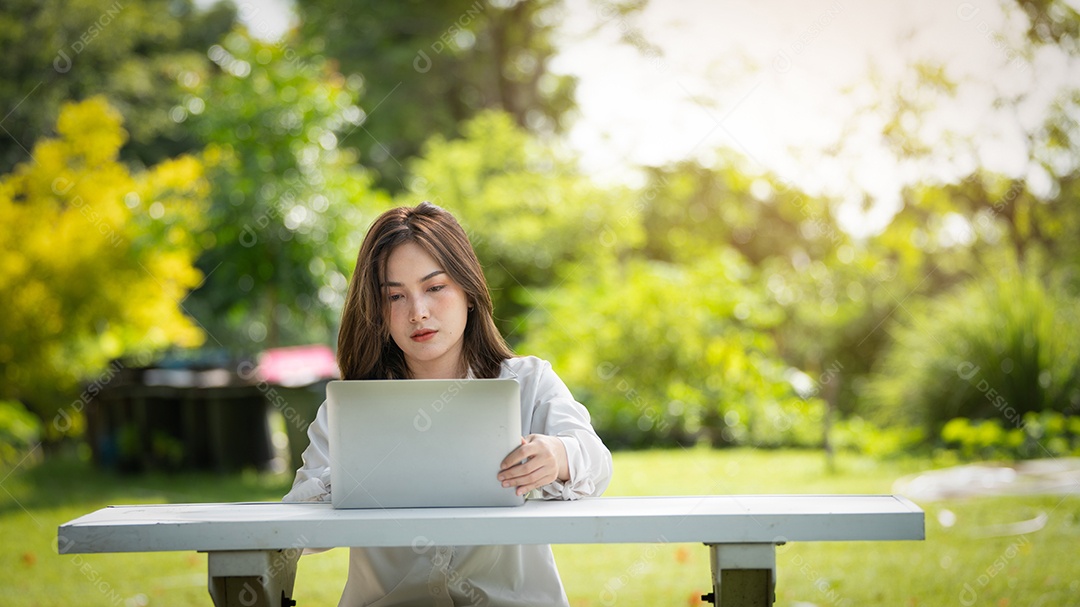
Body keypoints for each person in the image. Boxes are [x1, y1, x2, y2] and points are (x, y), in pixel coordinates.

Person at [284, 201, 613, 606]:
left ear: (469, 292)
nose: (418, 313)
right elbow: (297, 532)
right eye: (395, 297)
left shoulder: (526, 382)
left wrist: (558, 456)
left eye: (435, 288)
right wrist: (354, 480)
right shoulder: (351, 406)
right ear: (377, 311)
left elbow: (597, 465)